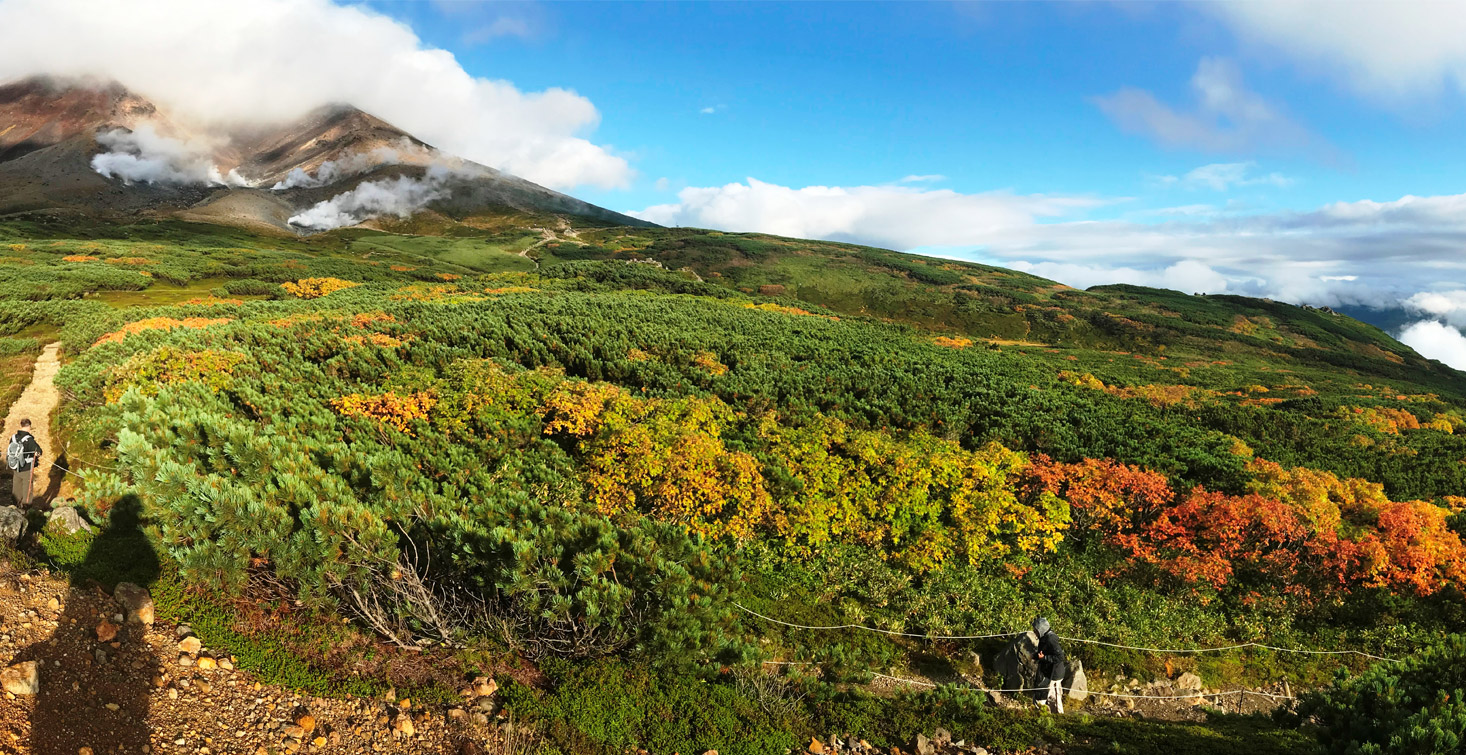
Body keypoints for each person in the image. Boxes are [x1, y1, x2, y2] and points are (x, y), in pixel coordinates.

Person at [1032, 616, 1067, 713]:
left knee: (1053, 698)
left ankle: (1057, 719)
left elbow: (1060, 657)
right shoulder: (1044, 637)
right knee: (1047, 695)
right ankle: (1044, 714)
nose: (1034, 633)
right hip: (1048, 671)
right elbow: (1045, 652)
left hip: (1054, 673)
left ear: (1041, 630)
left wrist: (1044, 658)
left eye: (1036, 631)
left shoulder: (1051, 640)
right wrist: (1037, 656)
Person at [8, 418, 43, 507]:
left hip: (15, 467)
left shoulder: (13, 438)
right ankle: (26, 509)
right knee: (27, 490)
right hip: (26, 468)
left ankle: (15, 506)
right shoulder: (29, 439)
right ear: (29, 426)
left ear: (21, 425)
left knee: (16, 488)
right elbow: (39, 451)